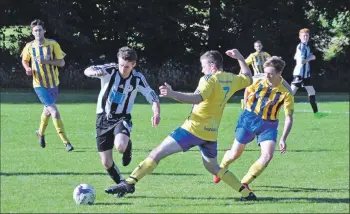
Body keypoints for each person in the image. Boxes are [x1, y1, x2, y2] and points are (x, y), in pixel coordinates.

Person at [104, 49, 258, 201]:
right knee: (213, 168)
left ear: (212, 66)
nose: (202, 69)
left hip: (192, 129)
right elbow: (248, 78)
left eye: (203, 66)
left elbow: (197, 98)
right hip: (211, 133)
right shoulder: (230, 79)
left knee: (157, 153)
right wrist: (240, 58)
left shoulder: (209, 79)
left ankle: (129, 183)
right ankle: (246, 193)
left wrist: (172, 94)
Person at [84, 46, 161, 189]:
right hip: (103, 118)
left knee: (120, 146)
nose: (123, 69)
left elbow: (152, 97)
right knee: (106, 162)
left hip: (122, 117)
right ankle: (122, 185)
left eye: (127, 66)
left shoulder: (137, 78)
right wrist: (94, 72)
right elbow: (87, 70)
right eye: (121, 65)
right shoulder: (110, 69)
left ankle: (126, 146)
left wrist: (156, 113)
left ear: (133, 65)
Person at [213, 57, 294, 191]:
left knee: (268, 155)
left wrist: (283, 138)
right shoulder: (257, 80)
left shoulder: (287, 92)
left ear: (280, 73)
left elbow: (289, 117)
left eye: (270, 73)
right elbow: (247, 90)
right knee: (235, 154)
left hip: (269, 125)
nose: (267, 75)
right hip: (249, 119)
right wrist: (246, 106)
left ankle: (245, 182)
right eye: (265, 72)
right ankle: (222, 168)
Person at [21, 19, 74, 151]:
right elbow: (24, 60)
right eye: (35, 30)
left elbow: (61, 63)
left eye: (40, 30)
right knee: (54, 112)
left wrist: (45, 61)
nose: (38, 32)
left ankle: (40, 133)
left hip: (53, 83)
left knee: (47, 111)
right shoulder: (29, 46)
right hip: (39, 85)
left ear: (44, 31)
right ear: (32, 32)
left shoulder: (53, 44)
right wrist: (27, 68)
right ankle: (66, 143)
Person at [290, 28, 326, 118]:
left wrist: (309, 57)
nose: (305, 37)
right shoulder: (301, 46)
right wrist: (311, 58)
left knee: (311, 91)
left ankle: (316, 114)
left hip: (306, 74)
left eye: (307, 35)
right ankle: (272, 108)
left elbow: (295, 57)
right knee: (290, 93)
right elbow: (301, 61)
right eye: (304, 36)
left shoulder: (306, 47)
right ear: (300, 37)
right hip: (299, 74)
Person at [242, 40, 271, 108]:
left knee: (265, 90)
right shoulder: (252, 56)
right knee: (248, 89)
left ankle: (263, 104)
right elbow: (244, 64)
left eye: (260, 46)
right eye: (257, 46)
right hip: (256, 76)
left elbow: (271, 62)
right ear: (255, 47)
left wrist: (269, 60)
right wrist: (242, 73)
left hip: (264, 76)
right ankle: (245, 104)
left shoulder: (266, 55)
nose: (258, 47)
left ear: (262, 46)